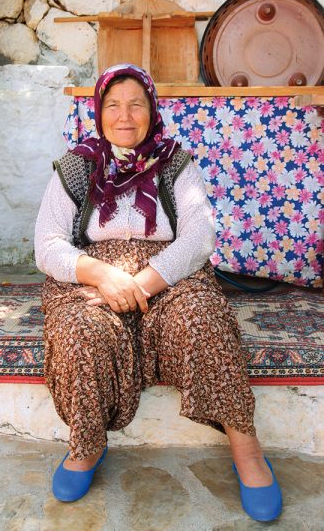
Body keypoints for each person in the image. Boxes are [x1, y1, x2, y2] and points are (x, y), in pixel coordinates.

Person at [34, 63, 282, 522]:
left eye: (136, 104)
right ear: (98, 111)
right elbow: (47, 244)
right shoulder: (76, 166)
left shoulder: (174, 162)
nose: (124, 116)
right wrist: (103, 277)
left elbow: (198, 236)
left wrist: (143, 281)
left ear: (152, 110)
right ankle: (87, 445)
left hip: (167, 275)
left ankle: (246, 449)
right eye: (112, 105)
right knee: (79, 332)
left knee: (203, 321)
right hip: (91, 280)